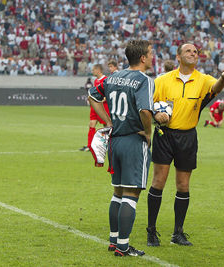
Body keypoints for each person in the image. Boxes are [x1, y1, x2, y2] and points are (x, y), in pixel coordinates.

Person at [146, 43, 224, 246]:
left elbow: (216, 88)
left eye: (195, 52)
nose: (193, 53)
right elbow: (148, 103)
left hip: (187, 136)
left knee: (183, 185)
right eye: (188, 51)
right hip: (165, 135)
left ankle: (178, 233)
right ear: (178, 56)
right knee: (158, 182)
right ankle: (151, 231)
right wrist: (155, 113)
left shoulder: (203, 79)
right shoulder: (162, 80)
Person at [88, 39, 155, 257]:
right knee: (131, 193)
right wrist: (148, 132)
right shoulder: (144, 79)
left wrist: (108, 122)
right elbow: (145, 111)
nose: (153, 57)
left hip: (115, 141)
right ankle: (124, 247)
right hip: (133, 140)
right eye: (151, 53)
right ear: (143, 58)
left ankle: (114, 241)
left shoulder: (111, 77)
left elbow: (92, 96)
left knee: (117, 191)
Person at [80, 64, 110, 151]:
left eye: (93, 70)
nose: (92, 71)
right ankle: (90, 146)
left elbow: (107, 95)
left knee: (106, 126)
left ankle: (106, 144)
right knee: (91, 124)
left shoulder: (106, 80)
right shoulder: (96, 81)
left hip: (103, 107)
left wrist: (102, 99)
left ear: (98, 70)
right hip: (95, 107)